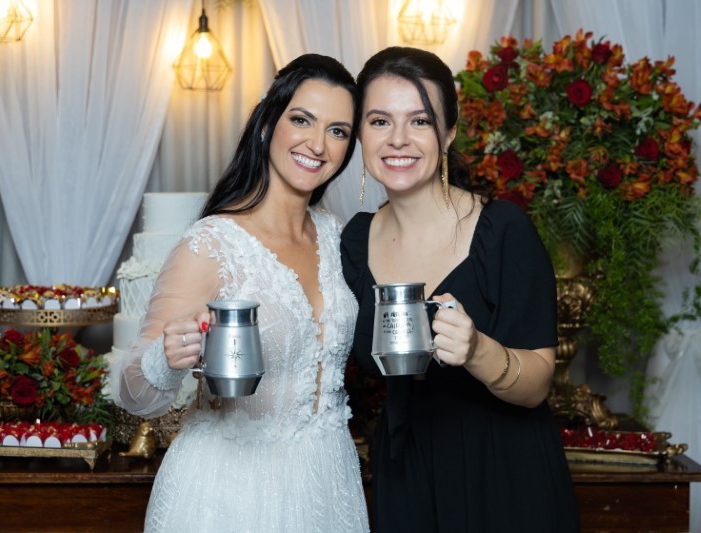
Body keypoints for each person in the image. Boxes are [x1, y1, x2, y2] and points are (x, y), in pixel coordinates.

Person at [110, 53, 370, 533]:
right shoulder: (211, 244)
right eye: (302, 120)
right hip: (227, 492)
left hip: (327, 483)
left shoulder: (338, 237)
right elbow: (134, 395)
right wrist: (166, 357)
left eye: (337, 131)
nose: (317, 144)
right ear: (268, 125)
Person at [340, 47, 580, 532]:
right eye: (380, 121)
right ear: (360, 134)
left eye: (420, 121)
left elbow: (538, 384)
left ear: (448, 132)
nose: (398, 139)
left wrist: (476, 351)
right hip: (405, 469)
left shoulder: (502, 231)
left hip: (503, 472)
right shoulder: (354, 241)